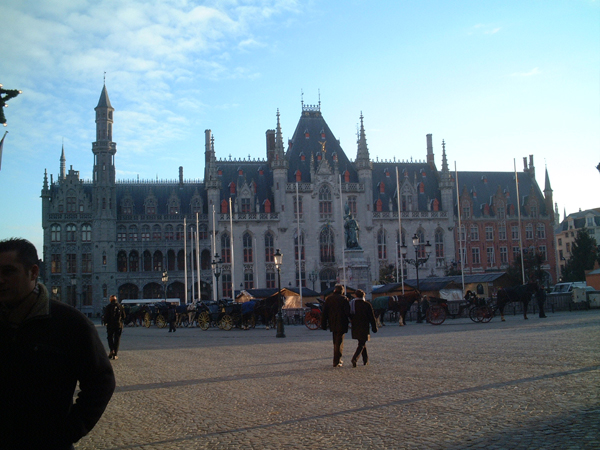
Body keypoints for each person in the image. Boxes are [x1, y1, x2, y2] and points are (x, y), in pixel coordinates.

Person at [0, 238, 115, 449]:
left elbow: (101, 381)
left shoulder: (70, 323)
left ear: (33, 272)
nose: (1, 280)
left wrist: (67, 432)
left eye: (8, 271)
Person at [321, 284, 350, 367]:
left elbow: (324, 312)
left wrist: (323, 324)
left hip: (332, 322)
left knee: (335, 341)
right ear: (342, 291)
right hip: (342, 322)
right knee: (339, 342)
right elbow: (347, 312)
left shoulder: (329, 299)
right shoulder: (344, 299)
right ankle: (337, 360)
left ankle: (336, 359)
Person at [349, 289, 377, 367]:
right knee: (362, 343)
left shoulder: (352, 304)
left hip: (355, 326)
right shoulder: (367, 304)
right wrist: (374, 327)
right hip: (364, 325)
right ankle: (354, 358)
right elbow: (372, 317)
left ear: (356, 295)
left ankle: (365, 360)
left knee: (361, 342)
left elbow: (349, 314)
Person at [105, 294, 125, 359]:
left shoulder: (108, 307)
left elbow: (106, 316)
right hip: (118, 325)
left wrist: (105, 322)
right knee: (117, 338)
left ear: (110, 300)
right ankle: (115, 354)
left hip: (110, 325)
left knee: (110, 337)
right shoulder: (120, 306)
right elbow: (124, 316)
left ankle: (112, 350)